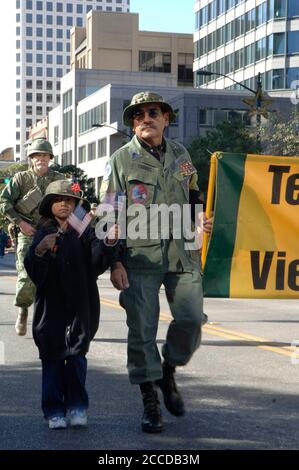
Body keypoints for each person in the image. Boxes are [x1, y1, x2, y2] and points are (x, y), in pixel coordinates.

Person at [100, 91, 213, 433]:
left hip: (182, 251)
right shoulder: (121, 160)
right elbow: (107, 213)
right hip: (139, 257)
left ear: (166, 118)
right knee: (142, 330)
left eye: (153, 112)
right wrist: (114, 262)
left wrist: (198, 218)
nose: (145, 119)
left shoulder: (181, 153)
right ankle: (150, 399)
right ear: (133, 123)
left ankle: (169, 368)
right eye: (138, 115)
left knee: (192, 318)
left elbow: (193, 192)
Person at [24, 180, 119, 429]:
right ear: (49, 204)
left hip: (81, 302)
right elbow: (34, 271)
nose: (65, 204)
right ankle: (54, 410)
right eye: (58, 199)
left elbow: (96, 263)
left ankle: (77, 407)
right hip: (50, 306)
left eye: (70, 200)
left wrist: (108, 243)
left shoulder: (85, 229)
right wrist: (41, 252)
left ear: (77, 204)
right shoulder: (43, 230)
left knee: (77, 356)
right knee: (52, 357)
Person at [0, 138, 64, 336]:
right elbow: (4, 201)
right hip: (28, 232)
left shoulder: (59, 179)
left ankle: (51, 320)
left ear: (50, 158)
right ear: (31, 158)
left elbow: (71, 202)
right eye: (37, 156)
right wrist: (21, 223)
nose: (41, 159)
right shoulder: (21, 179)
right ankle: (23, 309)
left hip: (53, 231)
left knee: (56, 277)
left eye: (45, 156)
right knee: (27, 277)